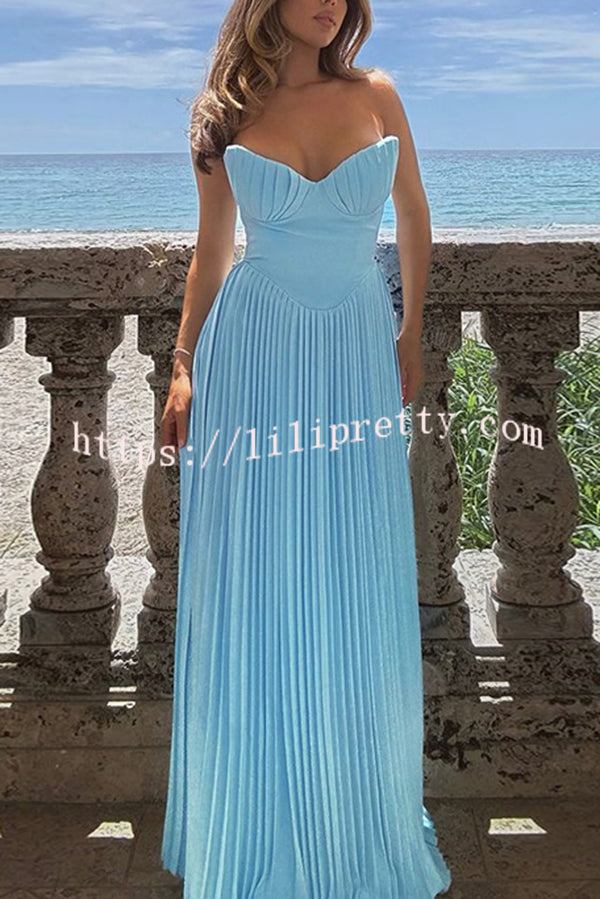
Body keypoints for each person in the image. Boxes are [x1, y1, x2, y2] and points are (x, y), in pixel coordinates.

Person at [160, 0, 452, 896]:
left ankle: (352, 807)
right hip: (255, 354)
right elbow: (213, 249)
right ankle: (258, 817)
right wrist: (182, 363)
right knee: (257, 564)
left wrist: (409, 330)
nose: (332, 4)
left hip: (357, 348)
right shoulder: (225, 113)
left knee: (354, 557)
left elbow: (414, 213)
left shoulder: (378, 94)